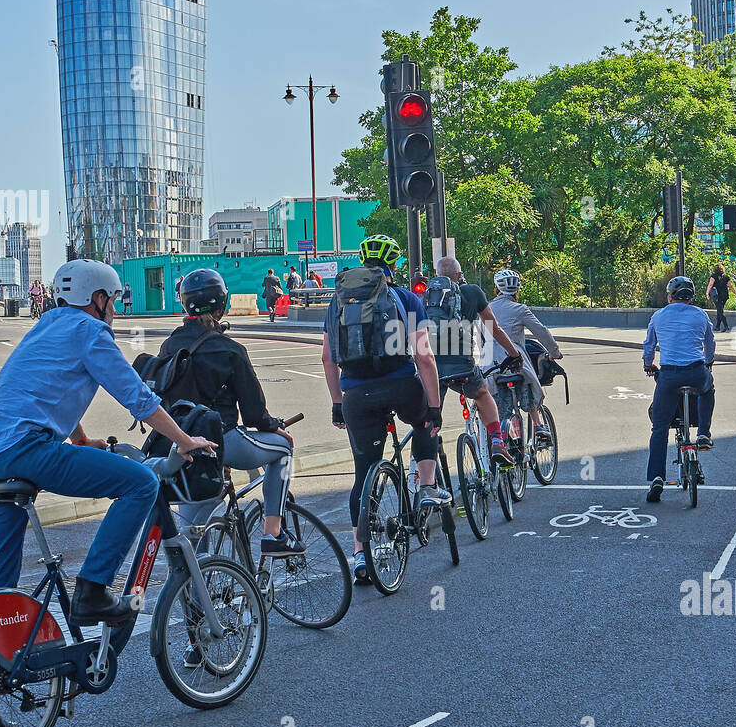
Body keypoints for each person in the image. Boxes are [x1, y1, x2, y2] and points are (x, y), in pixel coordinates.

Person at [0, 261, 215, 625]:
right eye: (112, 300)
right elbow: (138, 399)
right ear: (97, 299)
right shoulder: (91, 330)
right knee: (141, 483)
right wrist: (185, 440)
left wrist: (79, 440)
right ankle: (93, 591)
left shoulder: (45, 325)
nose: (114, 309)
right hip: (23, 451)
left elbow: (46, 391)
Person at [321, 234, 449, 585]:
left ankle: (361, 555)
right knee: (424, 423)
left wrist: (337, 404)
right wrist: (434, 407)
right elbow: (424, 356)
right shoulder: (407, 299)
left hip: (356, 395)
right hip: (401, 386)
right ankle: (425, 488)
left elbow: (327, 358)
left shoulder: (338, 302)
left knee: (363, 474)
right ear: (394, 266)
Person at [157, 269, 299, 557]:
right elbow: (254, 414)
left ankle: (196, 592)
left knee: (194, 529)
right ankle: (273, 531)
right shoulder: (230, 349)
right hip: (222, 440)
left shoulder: (169, 345)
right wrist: (274, 426)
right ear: (221, 305)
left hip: (181, 444)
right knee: (283, 449)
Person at [430, 255, 522, 465]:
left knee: (431, 416)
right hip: (462, 365)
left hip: (433, 367)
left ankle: (419, 473)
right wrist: (514, 354)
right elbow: (495, 330)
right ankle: (497, 442)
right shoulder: (472, 291)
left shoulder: (427, 296)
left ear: (437, 276)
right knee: (482, 394)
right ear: (460, 275)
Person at [642, 275, 716, 504]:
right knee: (707, 388)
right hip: (695, 370)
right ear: (691, 297)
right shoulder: (701, 315)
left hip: (669, 375)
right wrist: (708, 362)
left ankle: (656, 477)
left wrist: (647, 364)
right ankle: (703, 433)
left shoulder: (658, 316)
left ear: (671, 295)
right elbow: (710, 343)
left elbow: (649, 345)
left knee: (659, 427)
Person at [484, 268, 563, 445]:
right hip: (515, 362)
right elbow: (541, 331)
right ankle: (539, 426)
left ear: (496, 289)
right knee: (527, 382)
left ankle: (501, 439)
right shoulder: (519, 309)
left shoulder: (486, 308)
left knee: (497, 406)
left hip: (491, 365)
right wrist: (554, 352)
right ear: (517, 290)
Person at [705, 264, 735, 332]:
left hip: (717, 296)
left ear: (715, 269)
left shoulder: (713, 276)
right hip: (724, 296)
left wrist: (707, 293)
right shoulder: (726, 277)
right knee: (719, 310)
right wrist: (735, 294)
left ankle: (726, 326)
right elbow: (730, 286)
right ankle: (717, 326)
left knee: (720, 311)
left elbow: (710, 284)